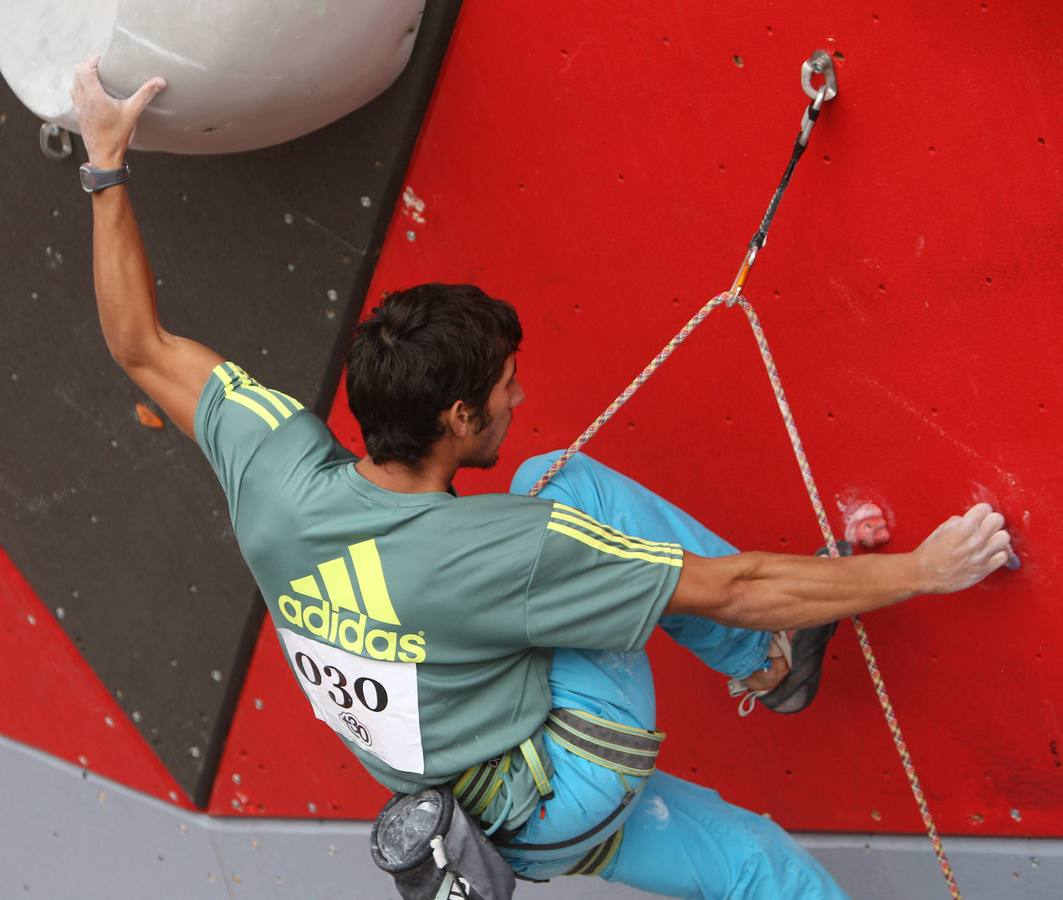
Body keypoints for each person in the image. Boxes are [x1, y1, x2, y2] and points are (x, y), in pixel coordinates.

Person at [73, 60, 1012, 899]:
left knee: (759, 871)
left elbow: (139, 345)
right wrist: (923, 573)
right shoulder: (503, 550)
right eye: (502, 385)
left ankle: (767, 686)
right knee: (558, 477)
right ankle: (769, 666)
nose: (518, 391)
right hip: (571, 771)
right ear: (455, 419)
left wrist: (106, 167)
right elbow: (737, 586)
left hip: (502, 832)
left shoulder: (275, 473)